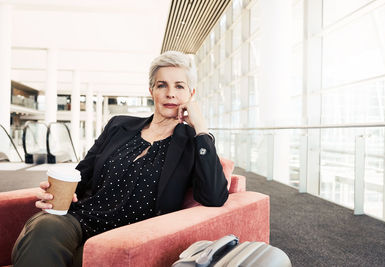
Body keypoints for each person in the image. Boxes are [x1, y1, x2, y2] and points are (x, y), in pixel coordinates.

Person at [11, 51, 229, 267]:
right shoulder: (118, 125)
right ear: (151, 90)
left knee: (88, 259)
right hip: (82, 220)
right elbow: (82, 174)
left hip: (127, 238)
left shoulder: (194, 143)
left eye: (179, 86)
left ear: (191, 94)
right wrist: (56, 194)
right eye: (162, 85)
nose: (170, 93)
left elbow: (214, 196)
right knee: (45, 227)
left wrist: (201, 128)